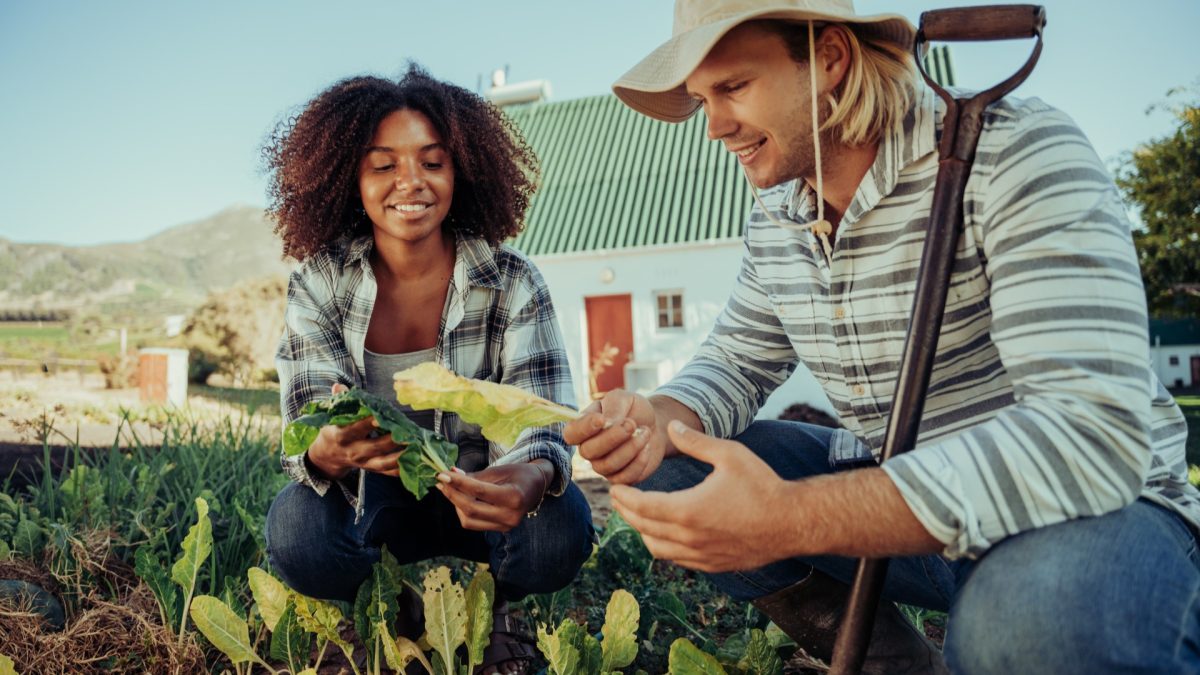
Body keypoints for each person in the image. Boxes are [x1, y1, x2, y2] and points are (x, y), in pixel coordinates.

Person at [565, 1, 1200, 673]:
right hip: (916, 524)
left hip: (1097, 518)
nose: (715, 126)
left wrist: (789, 516)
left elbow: (1089, 437)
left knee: (1025, 625)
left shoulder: (1013, 152)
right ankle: (899, 665)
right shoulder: (779, 216)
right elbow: (735, 359)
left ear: (830, 58)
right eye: (701, 99)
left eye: (733, 87)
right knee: (675, 465)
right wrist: (656, 419)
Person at [264, 64, 594, 675]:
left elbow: (543, 417)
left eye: (432, 162)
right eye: (383, 164)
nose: (409, 182)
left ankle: (498, 613)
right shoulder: (319, 282)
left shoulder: (512, 280)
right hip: (375, 507)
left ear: (461, 171)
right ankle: (384, 613)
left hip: (483, 493)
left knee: (563, 521)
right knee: (295, 528)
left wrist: (533, 474)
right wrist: (329, 450)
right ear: (349, 177)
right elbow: (304, 424)